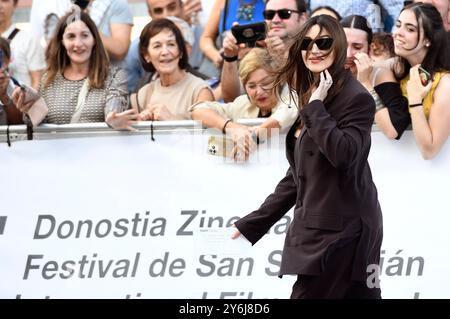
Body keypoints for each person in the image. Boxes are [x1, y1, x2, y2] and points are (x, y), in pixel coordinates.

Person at [231, 15, 383, 299]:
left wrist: (315, 108)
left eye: (323, 42)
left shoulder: (355, 98)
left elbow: (344, 155)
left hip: (344, 234)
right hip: (327, 231)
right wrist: (256, 222)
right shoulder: (311, 92)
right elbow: (298, 175)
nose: (314, 50)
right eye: (307, 43)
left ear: (338, 46)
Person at [13, 8, 136, 130]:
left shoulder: (114, 76)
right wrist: (29, 106)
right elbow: (38, 124)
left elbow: (114, 109)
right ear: (62, 42)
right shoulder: (47, 79)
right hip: (58, 149)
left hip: (100, 148)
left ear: (94, 40)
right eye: (71, 36)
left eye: (85, 35)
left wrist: (113, 119)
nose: (78, 43)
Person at [190, 48, 296, 160]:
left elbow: (285, 115)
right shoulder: (242, 104)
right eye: (251, 86)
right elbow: (198, 110)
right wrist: (231, 128)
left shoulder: (292, 97)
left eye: (266, 83)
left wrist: (252, 139)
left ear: (278, 80)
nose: (259, 91)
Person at [378, 2, 450, 158]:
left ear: (428, 40)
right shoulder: (397, 68)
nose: (398, 33)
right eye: (398, 25)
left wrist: (415, 99)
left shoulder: (445, 84)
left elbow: (429, 151)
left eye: (410, 29)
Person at [220, 0, 308, 102]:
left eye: (284, 14)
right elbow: (231, 100)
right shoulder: (258, 53)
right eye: (269, 14)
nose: (275, 20)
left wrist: (283, 59)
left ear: (303, 17)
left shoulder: (316, 48)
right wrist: (230, 57)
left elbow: (305, 96)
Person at [130, 18, 214, 121]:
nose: (165, 52)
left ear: (181, 52)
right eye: (157, 46)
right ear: (146, 55)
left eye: (171, 44)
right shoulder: (143, 94)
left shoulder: (200, 91)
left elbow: (208, 135)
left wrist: (171, 120)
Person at [125, 0, 205, 92]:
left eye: (172, 7)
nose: (166, 15)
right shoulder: (135, 50)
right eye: (158, 10)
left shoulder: (205, 38)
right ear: (146, 55)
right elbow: (130, 94)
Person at [199, 0, 266, 79]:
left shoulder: (272, 3)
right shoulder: (223, 2)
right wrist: (217, 57)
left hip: (259, 69)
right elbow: (206, 38)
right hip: (227, 68)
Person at [0, 0, 46, 90]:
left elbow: (38, 81)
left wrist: (26, 102)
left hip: (19, 102)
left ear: (15, 4)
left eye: (5, 0)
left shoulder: (29, 40)